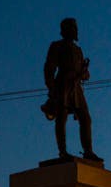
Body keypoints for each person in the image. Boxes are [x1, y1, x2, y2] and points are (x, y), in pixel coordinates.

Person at [42, 18, 102, 162]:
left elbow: (85, 75)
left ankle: (88, 150)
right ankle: (62, 151)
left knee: (85, 118)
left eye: (75, 28)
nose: (75, 31)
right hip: (62, 84)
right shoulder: (57, 46)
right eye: (72, 28)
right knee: (61, 118)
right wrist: (51, 88)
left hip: (76, 87)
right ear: (65, 30)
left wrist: (84, 73)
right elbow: (49, 68)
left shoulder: (78, 50)